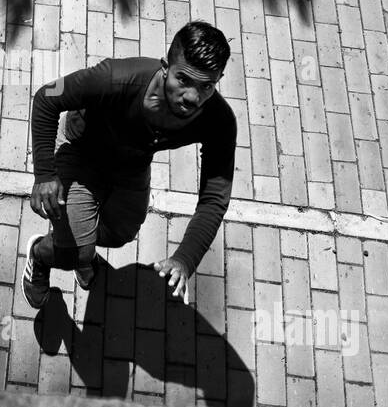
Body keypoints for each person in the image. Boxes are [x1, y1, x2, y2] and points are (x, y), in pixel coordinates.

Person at [24, 20, 237, 308]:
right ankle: (41, 253)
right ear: (165, 66)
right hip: (81, 154)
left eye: (207, 86)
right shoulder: (115, 77)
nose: (192, 97)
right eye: (183, 80)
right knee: (76, 253)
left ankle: (75, 238)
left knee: (121, 233)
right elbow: (47, 98)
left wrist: (185, 260)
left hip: (132, 165)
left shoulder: (219, 121)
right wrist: (45, 174)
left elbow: (213, 199)